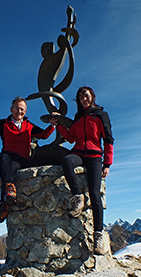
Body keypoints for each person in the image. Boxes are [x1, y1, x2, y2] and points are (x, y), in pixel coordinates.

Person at [0, 95, 57, 223]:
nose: (19, 111)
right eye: (17, 108)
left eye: (22, 109)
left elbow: (43, 135)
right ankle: (8, 194)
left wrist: (52, 125)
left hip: (23, 159)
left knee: (5, 171)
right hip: (8, 158)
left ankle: (4, 206)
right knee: (4, 162)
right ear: (11, 109)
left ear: (25, 112)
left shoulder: (29, 125)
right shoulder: (4, 124)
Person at [56, 86, 114, 255]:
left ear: (92, 97)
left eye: (86, 96)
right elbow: (71, 138)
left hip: (95, 156)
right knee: (67, 160)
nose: (84, 99)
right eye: (81, 97)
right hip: (79, 153)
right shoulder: (78, 117)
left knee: (95, 194)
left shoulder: (101, 115)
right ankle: (78, 196)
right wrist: (59, 126)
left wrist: (107, 164)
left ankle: (98, 236)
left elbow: (108, 139)